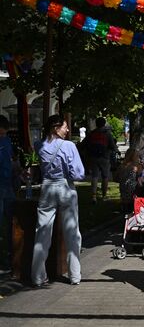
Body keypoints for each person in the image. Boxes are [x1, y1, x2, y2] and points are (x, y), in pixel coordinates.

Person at [32, 114, 85, 287]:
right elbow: (78, 173)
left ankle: (38, 276)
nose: (68, 129)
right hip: (65, 188)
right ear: (56, 128)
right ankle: (74, 275)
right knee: (72, 232)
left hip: (46, 187)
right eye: (65, 126)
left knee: (42, 232)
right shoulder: (69, 146)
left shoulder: (39, 145)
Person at [84, 117, 118, 203]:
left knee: (94, 177)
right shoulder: (107, 134)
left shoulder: (92, 133)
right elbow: (113, 146)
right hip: (105, 157)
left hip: (94, 157)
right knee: (105, 177)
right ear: (104, 123)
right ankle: (104, 196)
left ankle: (94, 196)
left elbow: (86, 144)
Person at [0, 115, 15, 272]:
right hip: (3, 184)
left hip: (7, 184)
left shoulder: (7, 142)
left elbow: (9, 161)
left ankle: (10, 255)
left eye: (4, 134)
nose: (3, 137)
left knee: (11, 221)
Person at [115, 148, 142, 213]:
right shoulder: (137, 166)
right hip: (133, 190)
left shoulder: (121, 166)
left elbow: (116, 178)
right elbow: (140, 177)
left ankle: (124, 206)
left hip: (123, 189)